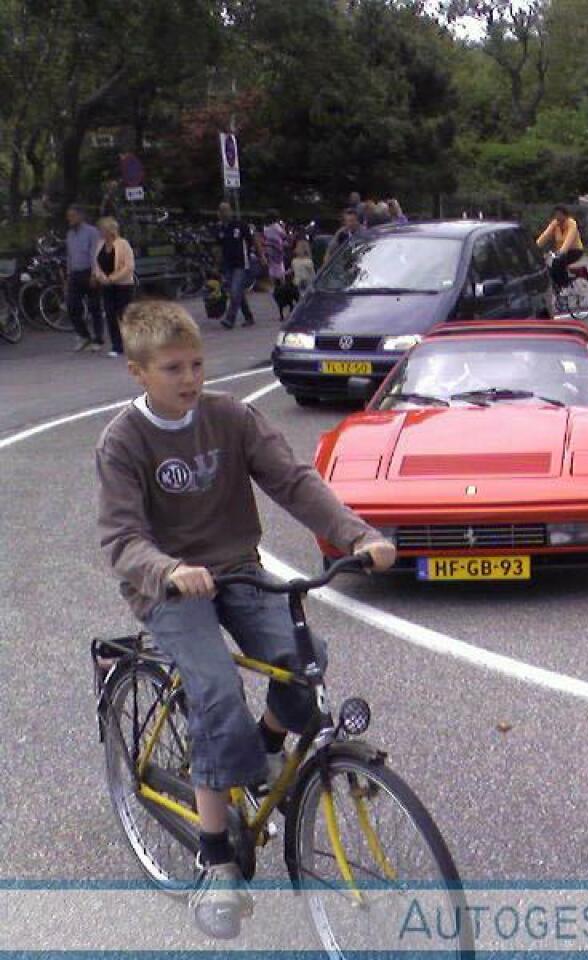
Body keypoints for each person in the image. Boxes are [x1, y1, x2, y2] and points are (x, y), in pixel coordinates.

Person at [95, 299, 396, 939]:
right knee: (215, 690)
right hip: (168, 587)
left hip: (237, 568)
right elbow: (120, 538)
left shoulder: (232, 418)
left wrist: (356, 534)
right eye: (173, 368)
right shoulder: (123, 441)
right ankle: (215, 854)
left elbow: (292, 481)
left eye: (197, 364)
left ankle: (257, 750)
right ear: (138, 373)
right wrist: (168, 569)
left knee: (304, 657)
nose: (190, 378)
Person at [91, 216, 136, 357]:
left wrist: (113, 278)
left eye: (102, 230)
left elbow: (129, 266)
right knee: (110, 314)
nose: (100, 233)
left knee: (124, 315)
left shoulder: (123, 244)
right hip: (107, 285)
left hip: (123, 285)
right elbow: (96, 263)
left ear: (110, 230)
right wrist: (101, 277)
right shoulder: (100, 244)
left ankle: (132, 344)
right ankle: (117, 345)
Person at [65, 204, 106, 352]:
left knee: (95, 306)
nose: (70, 219)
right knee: (72, 306)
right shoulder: (70, 234)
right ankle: (84, 335)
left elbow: (95, 253)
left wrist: (95, 273)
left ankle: (98, 338)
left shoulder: (92, 232)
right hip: (76, 273)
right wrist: (68, 274)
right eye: (69, 216)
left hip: (89, 271)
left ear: (81, 216)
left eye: (73, 216)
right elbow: (69, 255)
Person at [214, 202, 261, 329]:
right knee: (237, 292)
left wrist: (261, 256)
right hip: (228, 265)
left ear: (231, 211)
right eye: (221, 211)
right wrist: (217, 265)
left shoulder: (240, 226)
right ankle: (249, 317)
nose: (224, 213)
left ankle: (230, 319)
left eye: (226, 210)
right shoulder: (219, 228)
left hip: (242, 263)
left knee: (235, 291)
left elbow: (254, 240)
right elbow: (218, 247)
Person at [536, 204, 584, 289]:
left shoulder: (571, 223)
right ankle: (557, 286)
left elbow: (569, 238)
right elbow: (545, 235)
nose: (557, 217)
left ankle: (564, 286)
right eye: (556, 215)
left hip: (575, 250)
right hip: (560, 251)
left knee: (558, 263)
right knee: (549, 265)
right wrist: (534, 248)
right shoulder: (555, 223)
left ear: (565, 215)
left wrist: (562, 251)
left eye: (559, 214)